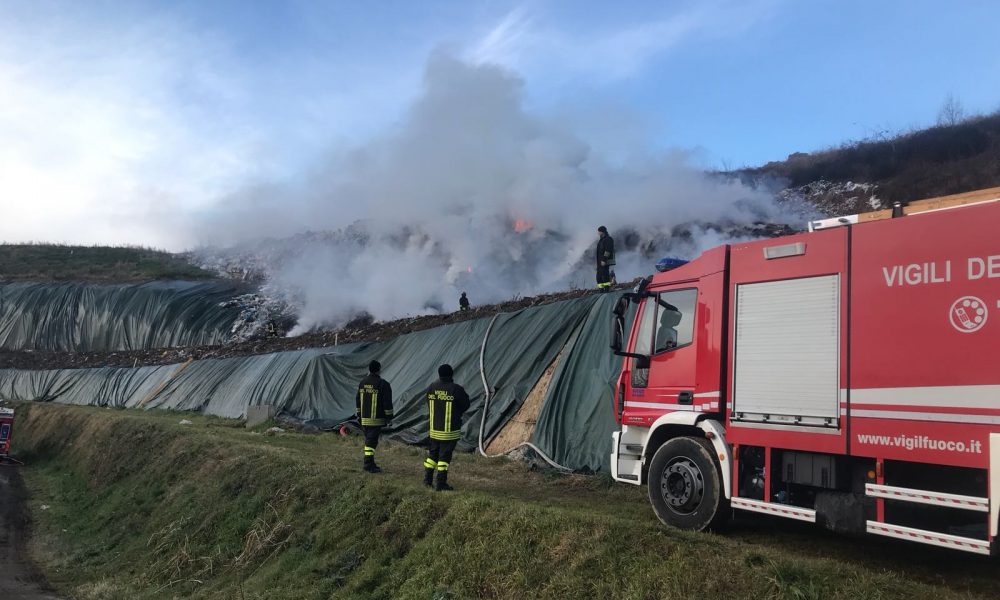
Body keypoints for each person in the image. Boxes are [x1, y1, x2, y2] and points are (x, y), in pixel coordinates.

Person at [422, 364, 471, 491]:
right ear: (451, 374)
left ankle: (427, 480)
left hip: (434, 429)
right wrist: (456, 412)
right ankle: (441, 483)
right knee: (444, 457)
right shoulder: (455, 389)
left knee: (432, 455)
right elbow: (466, 404)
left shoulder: (431, 387)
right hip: (449, 431)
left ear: (439, 374)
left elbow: (428, 402)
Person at [356, 360, 393, 473]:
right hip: (375, 420)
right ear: (379, 369)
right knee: (371, 443)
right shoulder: (383, 384)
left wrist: (359, 415)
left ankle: (369, 463)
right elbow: (387, 402)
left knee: (369, 441)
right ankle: (368, 464)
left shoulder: (362, 382)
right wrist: (389, 417)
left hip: (364, 419)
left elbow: (357, 399)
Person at [596, 226, 616, 292]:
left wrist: (604, 260)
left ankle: (606, 289)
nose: (598, 232)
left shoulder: (608, 239)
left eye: (599, 231)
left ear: (602, 232)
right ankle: (601, 289)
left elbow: (608, 250)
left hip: (604, 261)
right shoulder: (601, 240)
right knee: (598, 276)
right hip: (600, 261)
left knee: (605, 276)